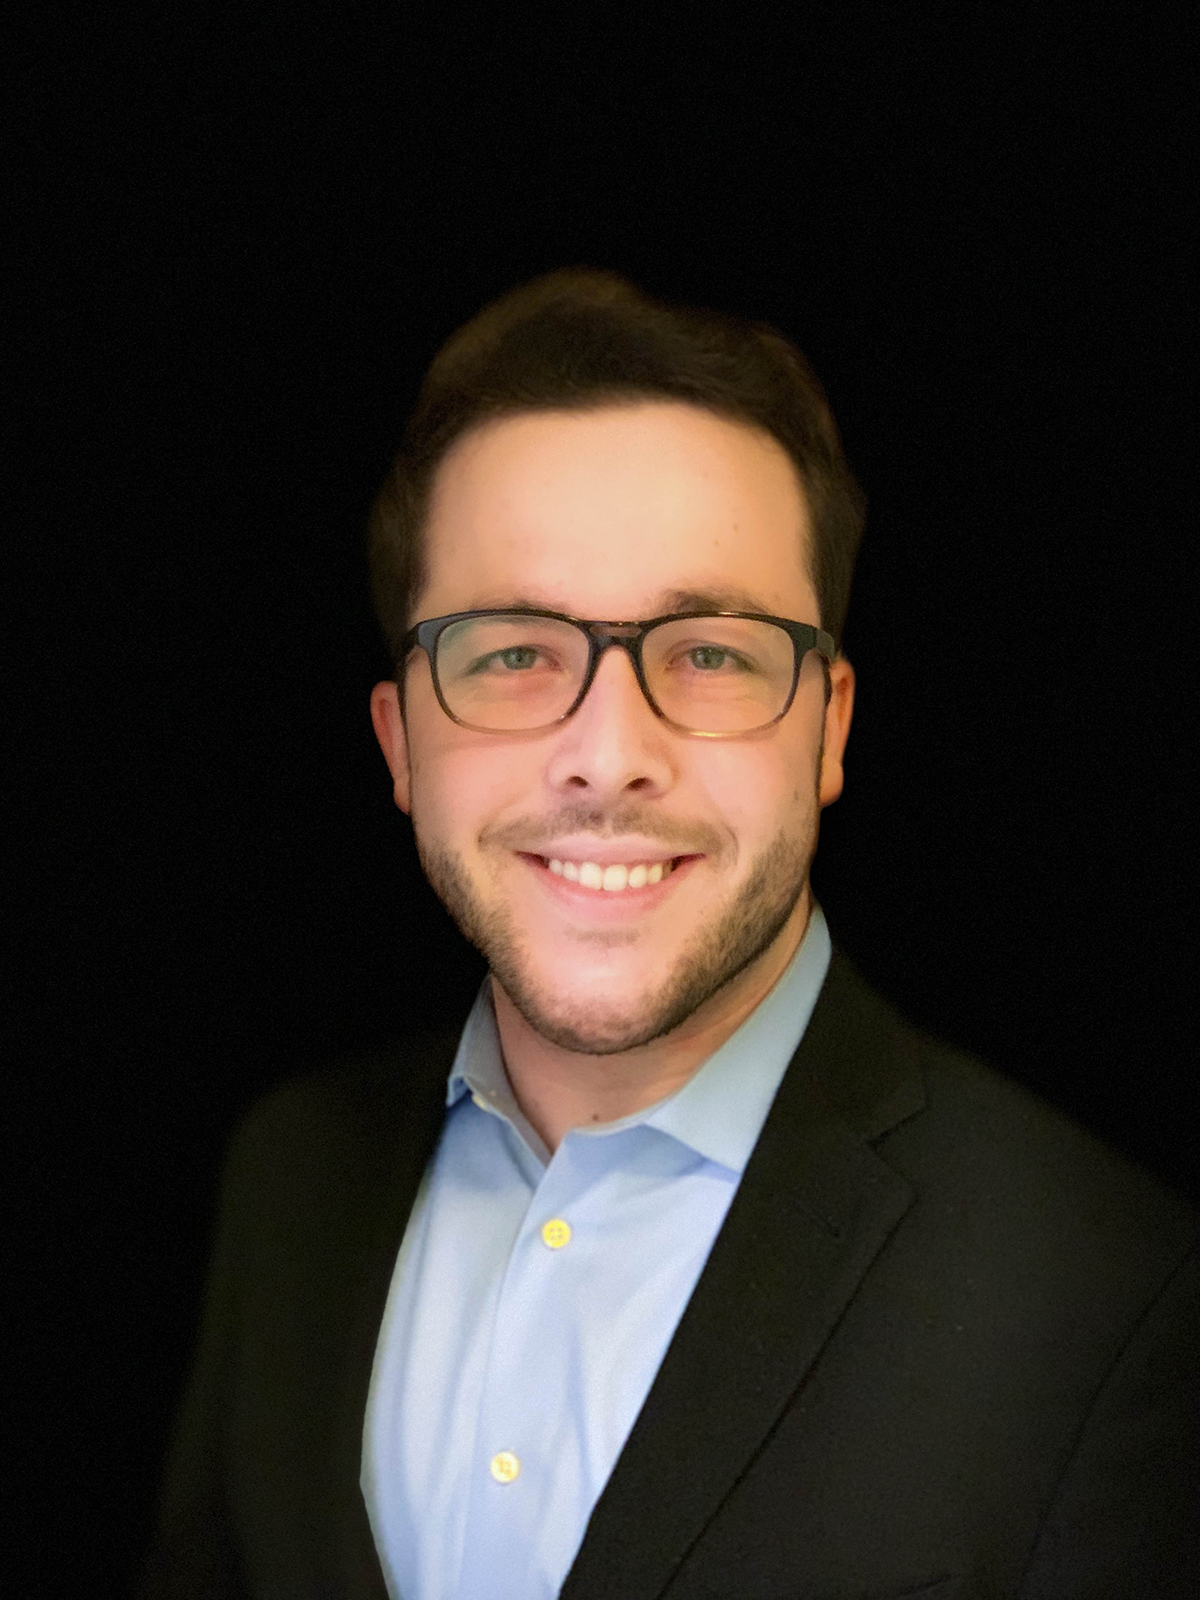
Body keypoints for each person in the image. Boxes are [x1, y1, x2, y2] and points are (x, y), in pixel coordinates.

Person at [140, 269, 1198, 1600]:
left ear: (830, 727)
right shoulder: (291, 1176)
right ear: (401, 743)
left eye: (710, 652)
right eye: (513, 652)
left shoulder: (1112, 1298)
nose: (608, 755)